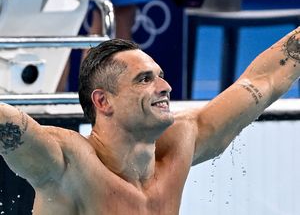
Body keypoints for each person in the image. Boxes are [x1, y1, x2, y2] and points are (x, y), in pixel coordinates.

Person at [1, 27, 300, 214]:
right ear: (103, 101)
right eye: (144, 80)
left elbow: (266, 79)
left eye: (161, 76)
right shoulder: (66, 163)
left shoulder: (182, 143)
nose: (165, 87)